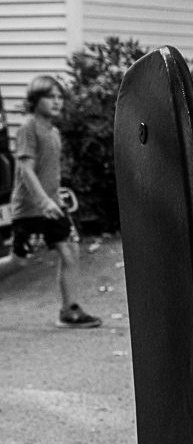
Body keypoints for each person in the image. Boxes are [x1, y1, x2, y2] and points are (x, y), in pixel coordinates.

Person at [10, 75, 101, 328]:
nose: (57, 102)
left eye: (60, 97)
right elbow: (25, 169)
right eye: (51, 97)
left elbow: (49, 170)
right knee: (19, 260)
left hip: (52, 205)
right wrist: (42, 202)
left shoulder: (54, 131)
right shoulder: (29, 127)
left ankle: (69, 310)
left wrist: (57, 196)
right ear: (35, 100)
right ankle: (68, 309)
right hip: (30, 208)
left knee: (71, 248)